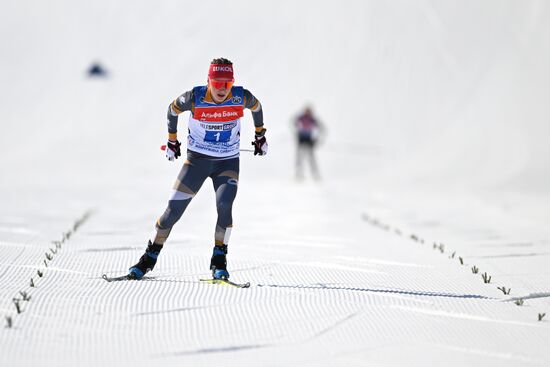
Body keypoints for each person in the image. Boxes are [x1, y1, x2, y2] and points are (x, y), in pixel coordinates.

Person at [128, 58, 267, 280]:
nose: (222, 89)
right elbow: (172, 110)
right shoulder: (195, 97)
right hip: (197, 161)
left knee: (225, 206)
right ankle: (149, 257)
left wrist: (260, 135)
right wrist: (172, 141)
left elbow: (257, 107)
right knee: (172, 211)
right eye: (217, 82)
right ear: (208, 81)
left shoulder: (241, 96)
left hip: (227, 162)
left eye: (227, 84)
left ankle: (219, 260)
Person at [294, 106, 323, 180]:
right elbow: (294, 123)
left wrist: (316, 139)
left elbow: (320, 128)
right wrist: (297, 132)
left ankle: (315, 174)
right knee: (300, 157)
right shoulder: (301, 117)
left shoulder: (312, 119)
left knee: (311, 157)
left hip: (309, 139)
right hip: (301, 139)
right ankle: (299, 173)